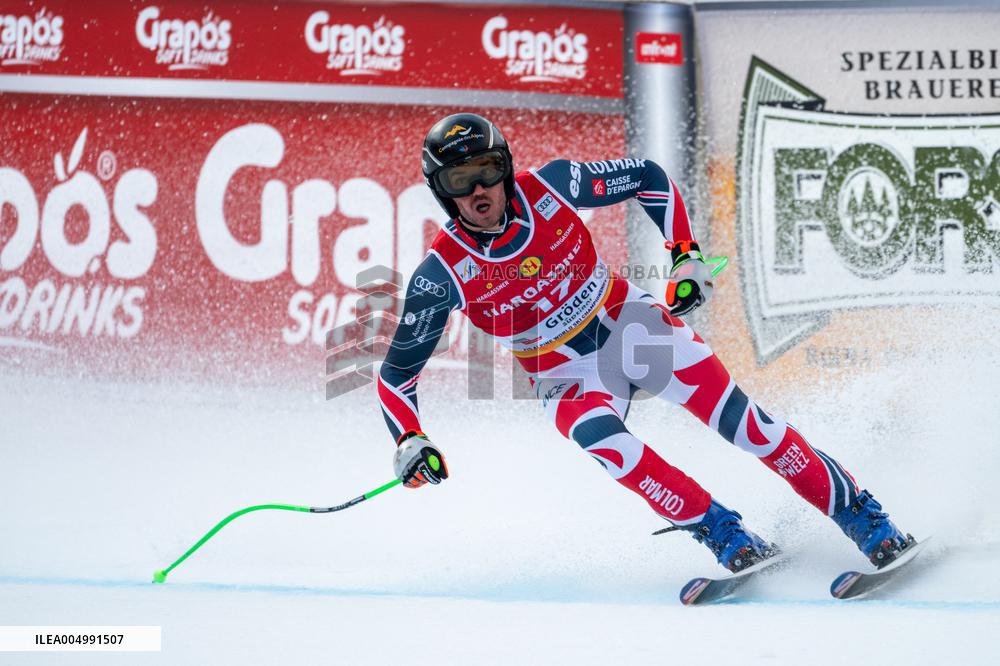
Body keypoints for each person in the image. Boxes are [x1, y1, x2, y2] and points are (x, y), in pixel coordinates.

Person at [378, 112, 912, 573]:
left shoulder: (554, 186)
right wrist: (409, 439)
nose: (478, 191)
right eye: (460, 179)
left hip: (629, 322)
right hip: (562, 369)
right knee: (606, 442)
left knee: (747, 426)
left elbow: (647, 178)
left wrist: (685, 253)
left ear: (506, 166)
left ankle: (865, 519)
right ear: (440, 191)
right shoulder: (440, 274)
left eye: (488, 171)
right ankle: (726, 535)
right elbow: (396, 376)